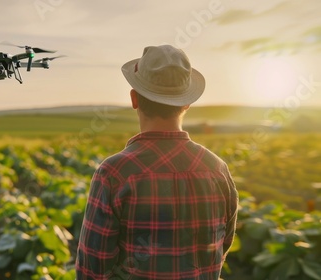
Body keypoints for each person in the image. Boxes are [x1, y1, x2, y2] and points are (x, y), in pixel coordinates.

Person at [75, 45, 238, 279]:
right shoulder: (217, 169)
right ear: (187, 103)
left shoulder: (114, 172)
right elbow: (223, 246)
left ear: (134, 99)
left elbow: (92, 270)